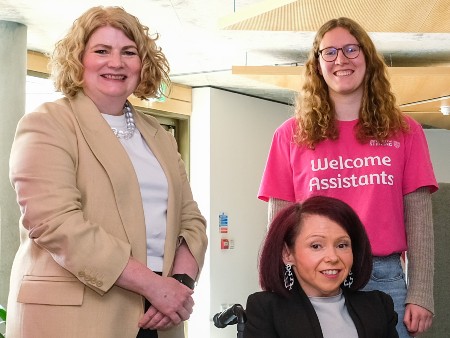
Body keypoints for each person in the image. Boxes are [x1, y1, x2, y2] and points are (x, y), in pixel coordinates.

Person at [6, 6, 207, 338]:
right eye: (102, 51)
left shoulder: (158, 134)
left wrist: (179, 284)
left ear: (142, 64)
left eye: (128, 52)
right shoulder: (47, 123)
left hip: (160, 314)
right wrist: (154, 286)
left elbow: (191, 218)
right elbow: (55, 224)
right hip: (76, 318)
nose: (116, 62)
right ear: (78, 59)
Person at [258, 17, 438, 337]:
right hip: (312, 279)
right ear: (317, 66)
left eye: (351, 49)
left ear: (368, 58)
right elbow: (279, 225)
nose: (341, 59)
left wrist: (421, 293)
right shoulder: (290, 135)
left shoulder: (406, 131)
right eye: (329, 52)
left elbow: (420, 220)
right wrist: (275, 288)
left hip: (385, 279)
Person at [244, 196, 398, 338]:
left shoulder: (379, 306)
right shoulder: (266, 309)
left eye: (342, 245)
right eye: (316, 246)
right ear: (287, 254)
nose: (333, 257)